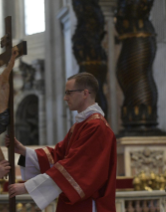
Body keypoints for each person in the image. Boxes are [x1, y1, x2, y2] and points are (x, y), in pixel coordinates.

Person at [7, 72, 117, 212]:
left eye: (69, 93)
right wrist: (23, 152)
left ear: (85, 93)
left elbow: (74, 169)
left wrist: (27, 187)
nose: (65, 98)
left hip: (88, 205)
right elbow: (58, 156)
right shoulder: (82, 125)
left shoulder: (96, 127)